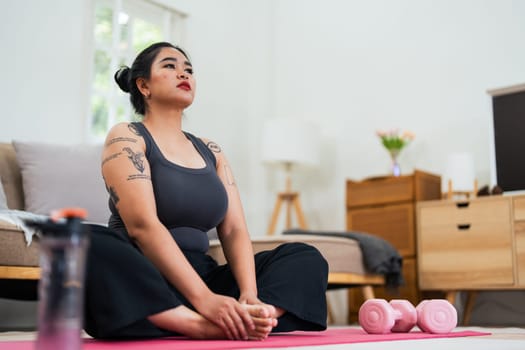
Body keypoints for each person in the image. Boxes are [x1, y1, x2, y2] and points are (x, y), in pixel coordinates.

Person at [83, 41, 328, 340]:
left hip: (204, 275)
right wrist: (204, 301)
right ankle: (199, 325)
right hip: (143, 275)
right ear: (143, 85)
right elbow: (142, 226)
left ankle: (255, 314)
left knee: (303, 256)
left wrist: (248, 293)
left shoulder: (210, 150)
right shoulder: (128, 136)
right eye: (170, 66)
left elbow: (235, 230)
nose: (183, 73)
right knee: (83, 241)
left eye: (189, 69)